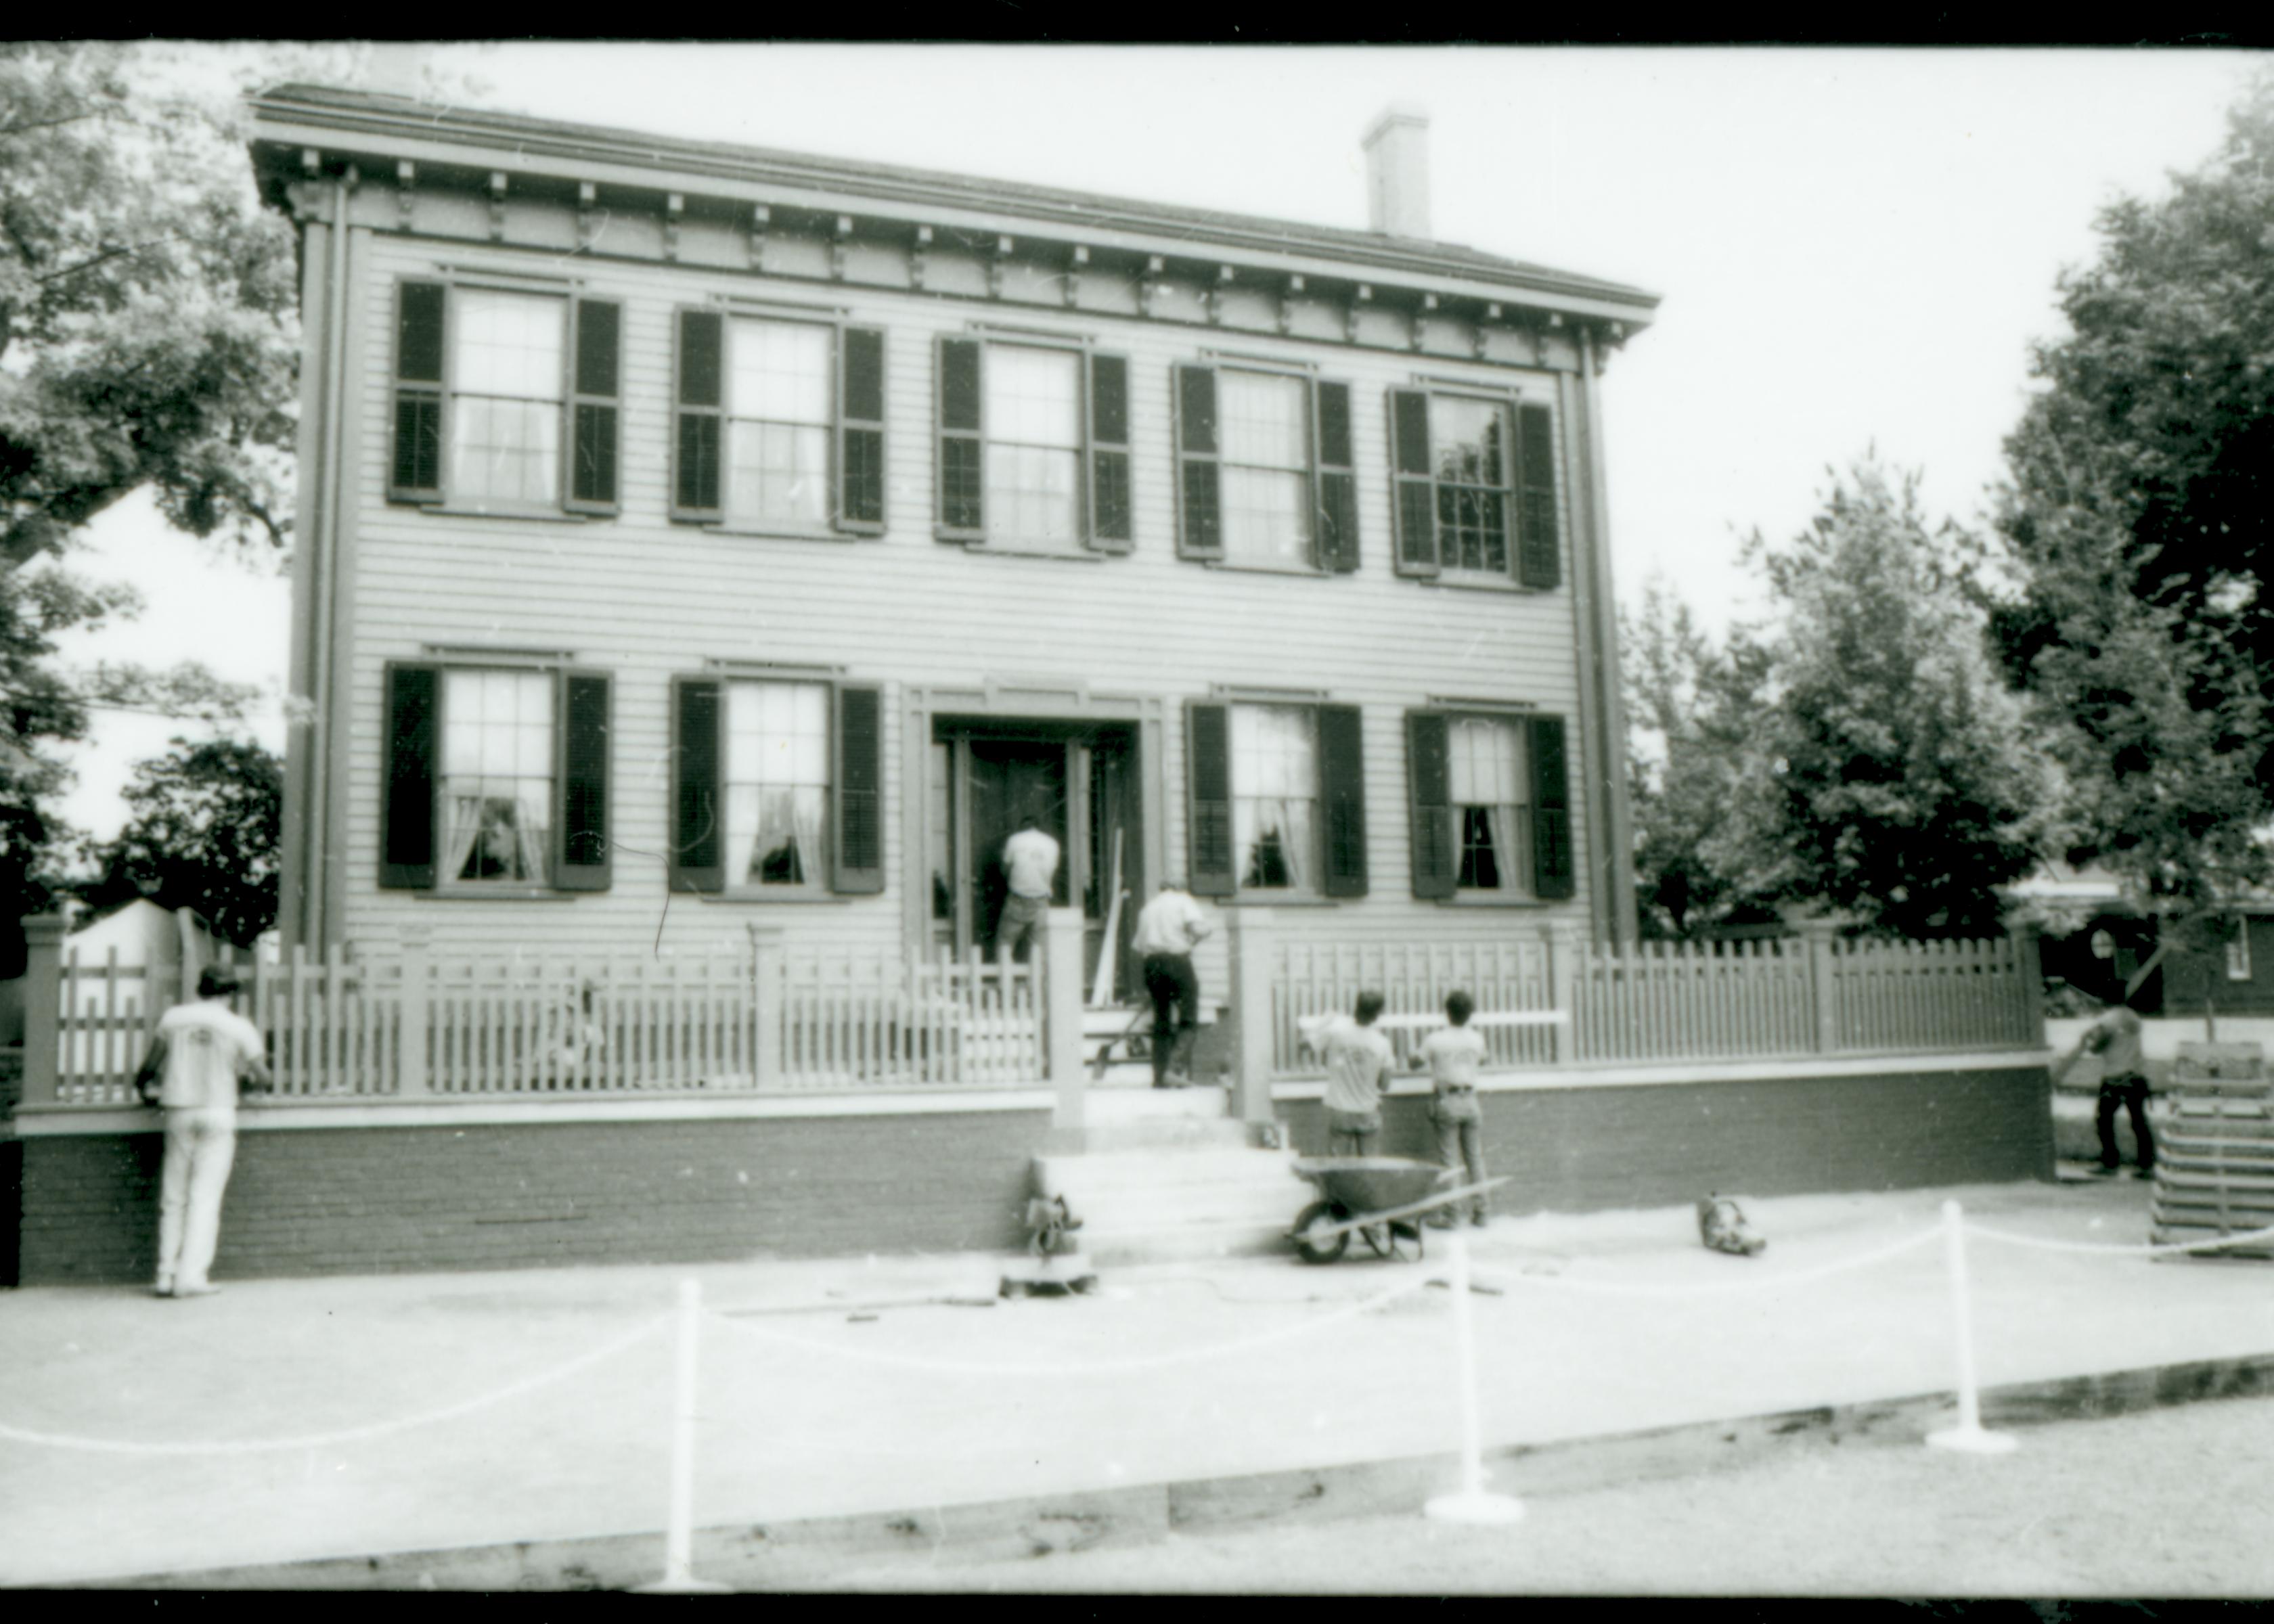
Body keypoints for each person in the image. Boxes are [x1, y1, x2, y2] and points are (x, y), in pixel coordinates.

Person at [133, 965, 273, 1298]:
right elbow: (264, 1078)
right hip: (218, 1110)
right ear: (230, 993)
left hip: (179, 1110)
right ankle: (191, 1277)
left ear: (200, 988)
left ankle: (165, 1275)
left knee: (174, 1196)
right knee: (204, 1199)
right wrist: (242, 1079)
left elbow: (147, 1071)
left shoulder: (173, 1018)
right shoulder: (238, 1026)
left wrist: (145, 1091)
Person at [2057, 992, 2156, 1179]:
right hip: (2136, 1075)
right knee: (2139, 1121)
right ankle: (2146, 1164)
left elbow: (2097, 1048)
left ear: (2105, 999)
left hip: (2115, 1077)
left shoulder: (2107, 1020)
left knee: (2104, 1120)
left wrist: (2087, 1039)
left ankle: (2110, 1162)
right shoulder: (2133, 1017)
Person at [1131, 878, 1213, 1088]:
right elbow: (1197, 930)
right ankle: (1174, 1069)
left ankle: (1159, 1077)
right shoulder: (1182, 900)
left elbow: (1139, 946)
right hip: (1177, 961)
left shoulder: (1147, 908)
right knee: (1188, 1017)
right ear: (1179, 888)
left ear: (1161, 889)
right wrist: (1207, 931)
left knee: (1161, 1020)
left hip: (1152, 964)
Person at [1421, 989, 1491, 1227]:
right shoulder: (1477, 1039)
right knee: (1475, 1159)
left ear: (1447, 1011)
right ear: (1469, 1014)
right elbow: (1484, 1059)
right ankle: (1482, 1213)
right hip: (1470, 1099)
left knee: (1449, 1161)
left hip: (1448, 1099)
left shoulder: (1435, 1039)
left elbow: (1416, 1060)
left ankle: (1452, 1216)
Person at [1319, 991, 1395, 1156]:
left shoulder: (1336, 1034)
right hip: (1368, 1110)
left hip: (1340, 1109)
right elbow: (1384, 1085)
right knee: (1370, 1167)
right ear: (1378, 1014)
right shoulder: (1383, 1043)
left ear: (1357, 1007)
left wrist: (1323, 1023)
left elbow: (1305, 1046)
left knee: (1338, 1167)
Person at [994, 813, 1061, 963]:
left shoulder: (1014, 840)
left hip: (1017, 899)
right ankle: (1037, 985)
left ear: (1022, 827)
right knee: (1039, 947)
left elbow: (1005, 869)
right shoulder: (1052, 844)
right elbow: (1051, 871)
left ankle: (1004, 983)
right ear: (1038, 827)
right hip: (1041, 901)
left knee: (1005, 943)